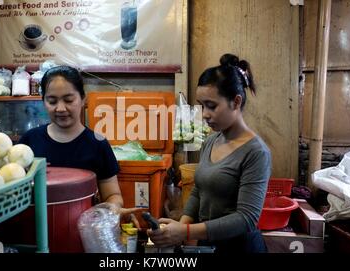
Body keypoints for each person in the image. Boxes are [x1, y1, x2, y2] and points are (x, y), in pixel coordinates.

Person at [147, 53, 272, 253]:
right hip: (207, 245)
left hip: (240, 249)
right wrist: (181, 228)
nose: (204, 114)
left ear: (236, 102)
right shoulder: (211, 141)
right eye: (202, 105)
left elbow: (246, 218)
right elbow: (199, 190)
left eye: (212, 106)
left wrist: (186, 232)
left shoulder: (256, 153)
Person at [19, 65, 140, 226]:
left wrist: (113, 208)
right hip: (35, 230)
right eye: (52, 101)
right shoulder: (29, 141)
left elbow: (113, 195)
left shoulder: (97, 144)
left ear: (83, 99)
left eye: (69, 100)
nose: (60, 108)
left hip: (82, 232)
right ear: (43, 101)